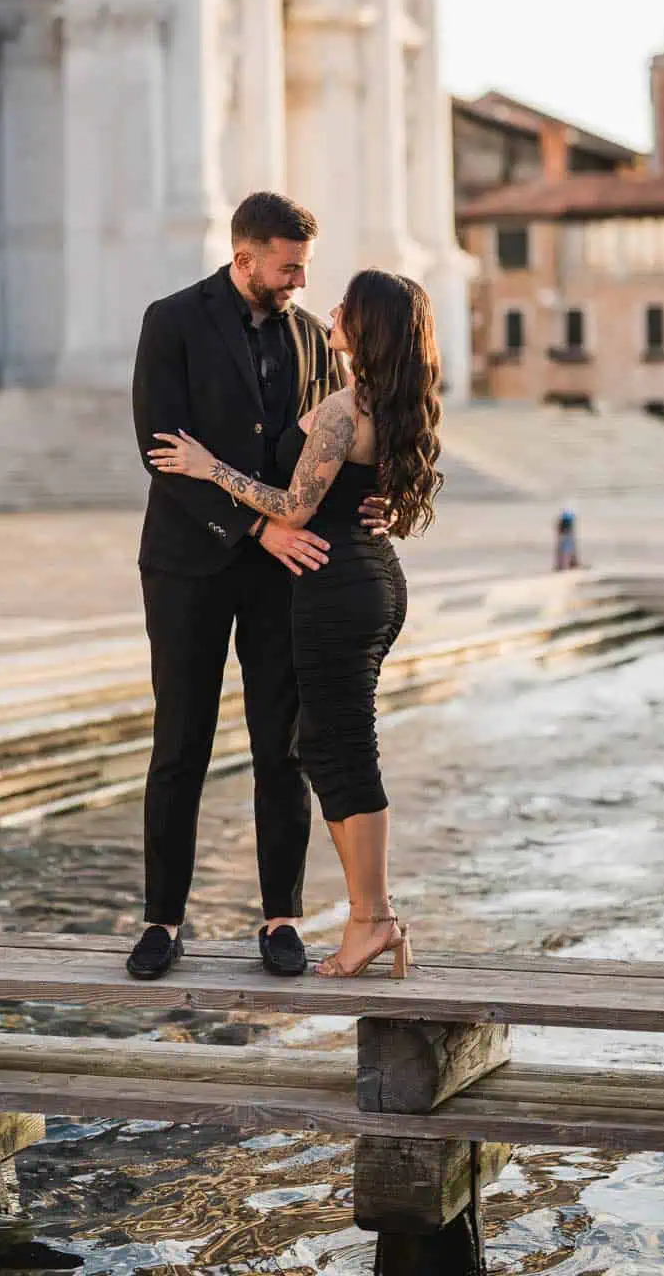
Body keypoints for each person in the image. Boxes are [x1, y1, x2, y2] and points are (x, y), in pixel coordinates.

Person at [151, 268, 443, 979]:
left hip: (337, 587)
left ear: (366, 327)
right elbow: (394, 503)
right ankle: (374, 917)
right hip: (367, 578)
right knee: (325, 747)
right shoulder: (392, 402)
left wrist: (207, 466)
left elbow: (292, 510)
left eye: (348, 304)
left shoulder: (346, 409)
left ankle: (370, 918)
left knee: (339, 752)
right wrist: (370, 509)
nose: (330, 307)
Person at [126, 192, 346, 985]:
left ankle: (280, 918)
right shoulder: (172, 319)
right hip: (187, 564)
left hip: (279, 574)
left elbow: (328, 444)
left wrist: (371, 504)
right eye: (287, 268)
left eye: (303, 269)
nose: (296, 282)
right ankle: (162, 920)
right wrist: (256, 526)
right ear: (245, 257)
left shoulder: (315, 336)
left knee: (279, 750)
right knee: (178, 744)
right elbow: (161, 450)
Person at [554, 507, 578, 572]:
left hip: (563, 536)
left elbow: (558, 530)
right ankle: (565, 566)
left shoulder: (562, 522)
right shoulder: (568, 523)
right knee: (567, 551)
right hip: (566, 536)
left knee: (562, 551)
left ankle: (562, 566)